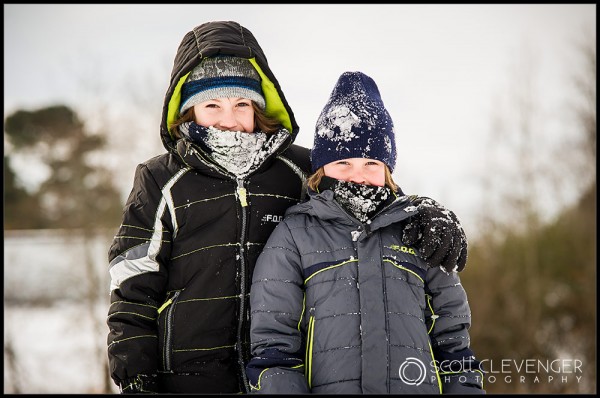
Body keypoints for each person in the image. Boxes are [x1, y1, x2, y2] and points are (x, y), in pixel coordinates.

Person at [106, 21, 471, 394]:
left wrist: (426, 213)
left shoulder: (297, 168)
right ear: (188, 109)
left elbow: (365, 190)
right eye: (212, 104)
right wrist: (136, 373)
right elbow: (133, 280)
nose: (228, 119)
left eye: (241, 104)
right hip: (188, 375)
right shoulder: (160, 179)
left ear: (259, 106)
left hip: (283, 371)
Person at [247, 71, 485, 394]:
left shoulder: (418, 232)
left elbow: (454, 341)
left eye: (371, 164)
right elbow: (274, 349)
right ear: (321, 168)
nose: (358, 176)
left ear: (387, 169)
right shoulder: (293, 238)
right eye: (344, 163)